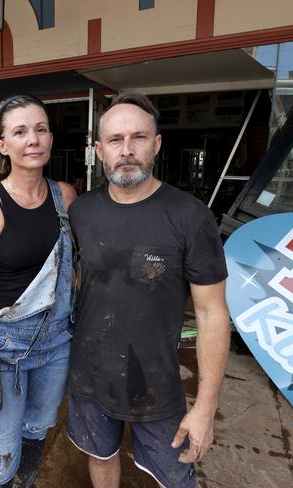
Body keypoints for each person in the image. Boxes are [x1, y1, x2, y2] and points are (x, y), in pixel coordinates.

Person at [66, 91, 230, 488]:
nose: (127, 151)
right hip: (89, 378)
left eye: (138, 138)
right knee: (101, 459)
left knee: (174, 478)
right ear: (99, 151)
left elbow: (211, 314)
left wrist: (206, 406)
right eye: (115, 141)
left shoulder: (191, 217)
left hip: (156, 385)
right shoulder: (82, 212)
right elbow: (75, 281)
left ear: (156, 144)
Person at [0, 94, 77, 488]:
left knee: (36, 432)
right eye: (20, 131)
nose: (33, 139)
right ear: (2, 145)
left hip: (57, 344)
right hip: (4, 349)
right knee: (0, 452)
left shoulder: (65, 196)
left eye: (41, 129)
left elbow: (69, 270)